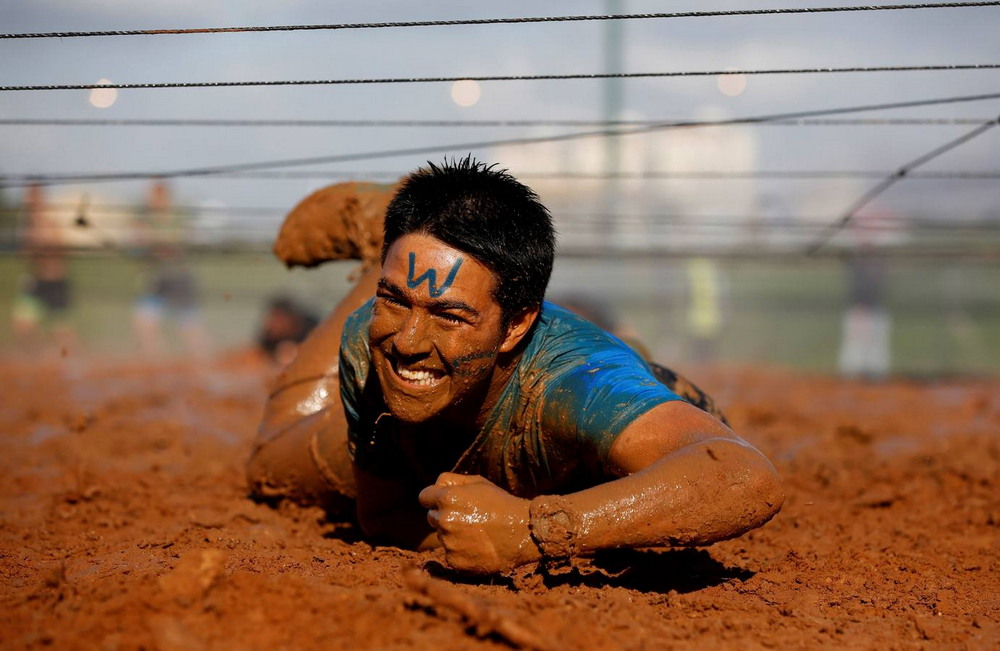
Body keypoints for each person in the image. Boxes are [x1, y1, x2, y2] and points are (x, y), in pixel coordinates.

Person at [247, 159, 782, 575]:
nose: (408, 341)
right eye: (393, 298)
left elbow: (742, 476)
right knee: (273, 463)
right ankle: (402, 231)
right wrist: (482, 533)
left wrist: (533, 531)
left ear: (517, 325)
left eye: (449, 315)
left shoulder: (574, 385)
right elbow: (383, 517)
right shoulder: (370, 344)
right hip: (441, 416)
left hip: (581, 399)